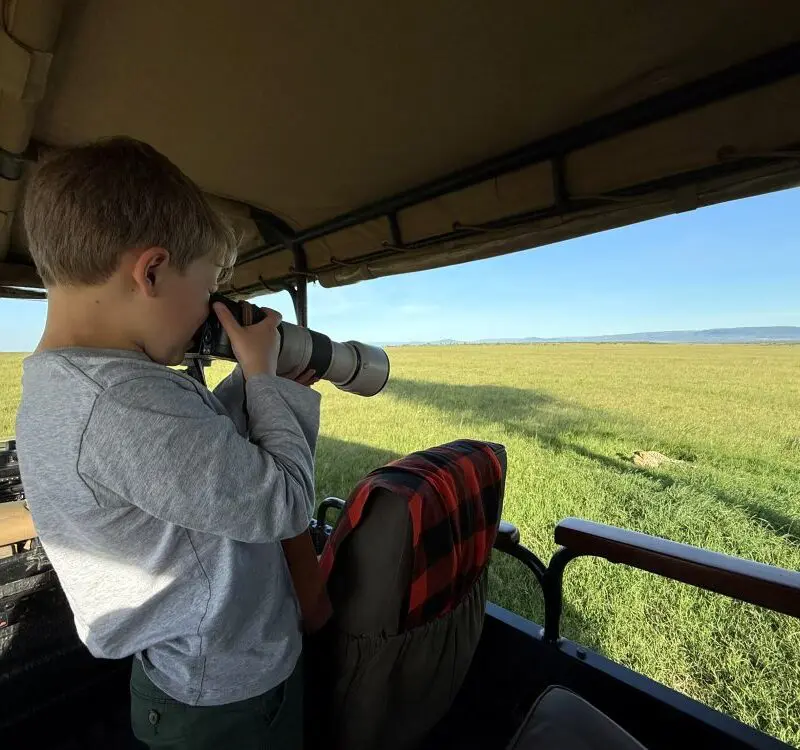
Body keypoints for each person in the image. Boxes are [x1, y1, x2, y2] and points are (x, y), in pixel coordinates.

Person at [15, 137, 319, 749]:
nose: (209, 310)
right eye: (207, 290)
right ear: (151, 272)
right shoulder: (122, 402)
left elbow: (199, 451)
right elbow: (285, 500)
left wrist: (255, 381)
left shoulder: (81, 385)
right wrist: (261, 378)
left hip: (190, 675)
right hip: (225, 692)